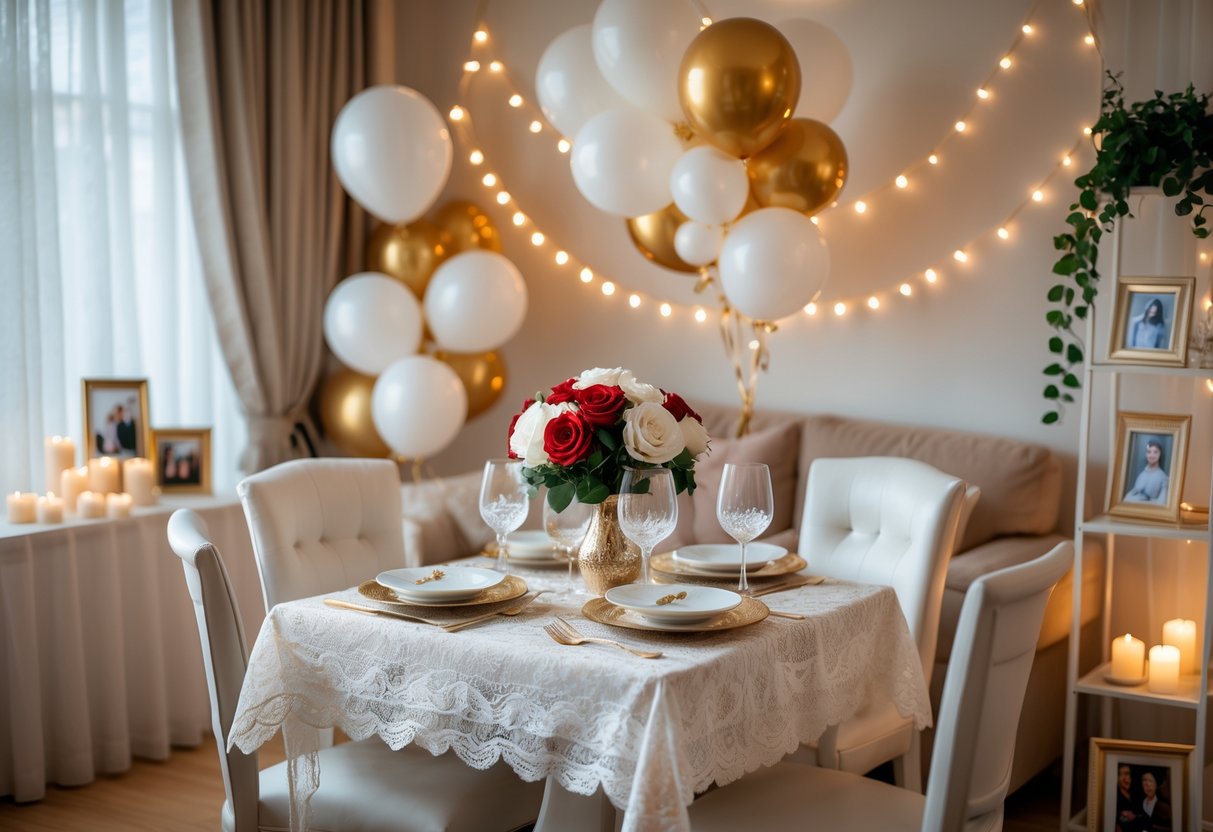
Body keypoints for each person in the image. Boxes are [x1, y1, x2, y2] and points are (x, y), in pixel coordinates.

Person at [1124, 439, 1169, 504]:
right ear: (1146, 454)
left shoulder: (1163, 477)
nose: (1152, 455)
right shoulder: (1142, 475)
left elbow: (1162, 503)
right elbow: (1131, 494)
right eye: (1149, 452)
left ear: (1160, 454)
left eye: (1155, 452)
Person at [1116, 764, 1140, 831]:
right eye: (1122, 774)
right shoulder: (1115, 796)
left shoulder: (1135, 794)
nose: (1126, 778)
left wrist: (1134, 816)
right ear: (1117, 778)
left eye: (1128, 774)